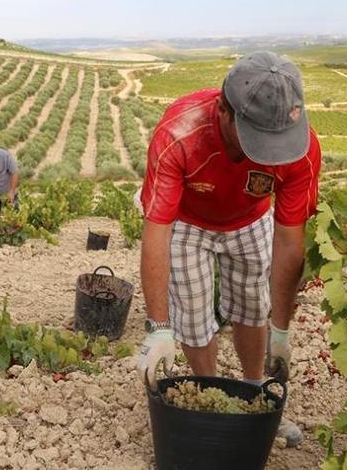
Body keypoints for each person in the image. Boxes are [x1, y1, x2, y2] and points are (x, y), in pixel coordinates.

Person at [135, 51, 321, 447]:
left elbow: (289, 242)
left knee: (253, 307)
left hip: (250, 218)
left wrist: (282, 330)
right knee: (193, 312)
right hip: (187, 221)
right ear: (223, 110)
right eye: (256, 139)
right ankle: (213, 397)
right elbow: (157, 231)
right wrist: (157, 328)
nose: (268, 153)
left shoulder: (300, 149)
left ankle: (254, 393)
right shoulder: (179, 134)